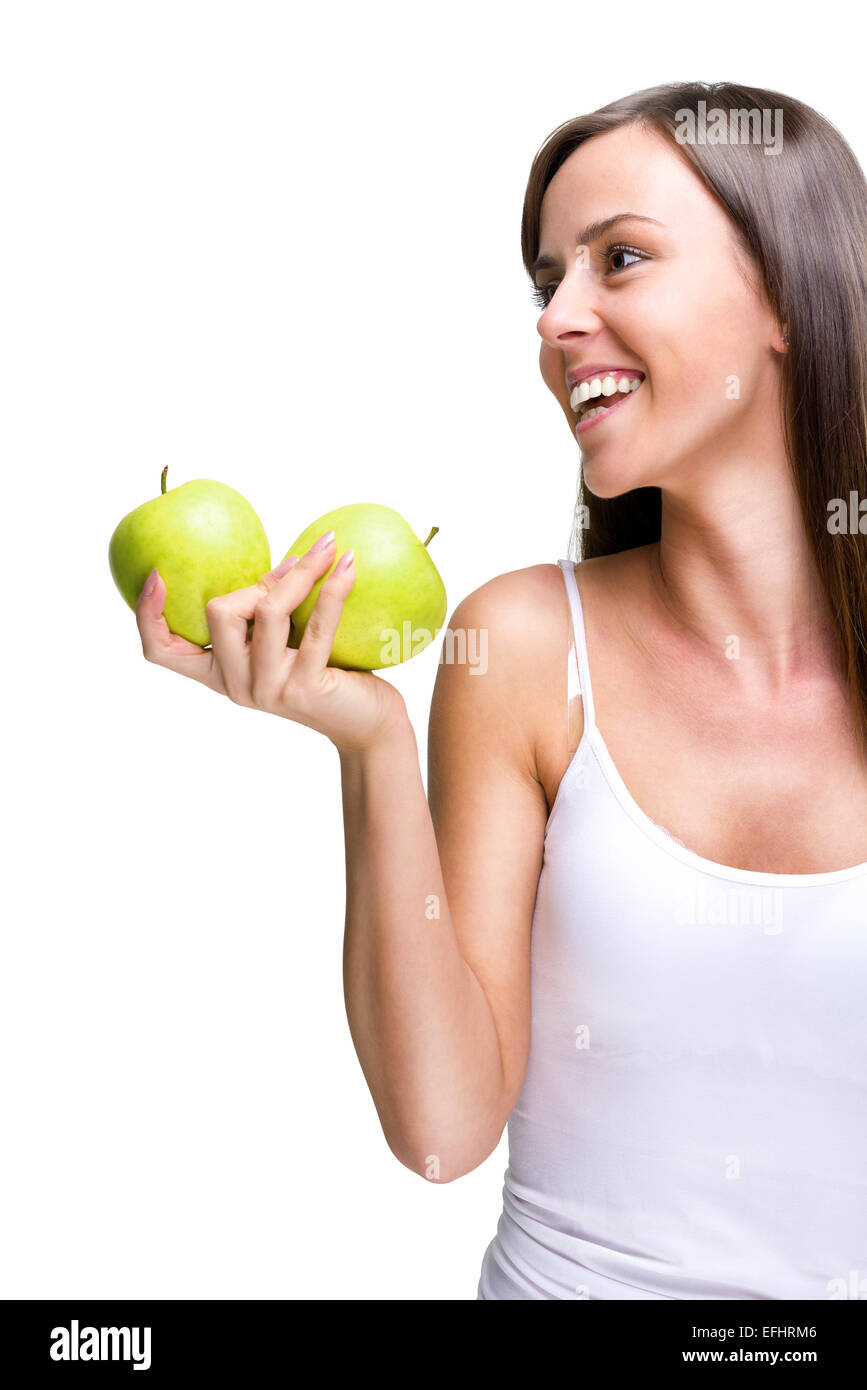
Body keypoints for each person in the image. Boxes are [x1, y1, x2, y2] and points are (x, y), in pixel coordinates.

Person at [134, 81, 867, 1300]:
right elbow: (441, 1132)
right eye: (547, 283)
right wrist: (370, 745)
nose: (558, 319)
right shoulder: (524, 645)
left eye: (618, 259)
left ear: (787, 294)